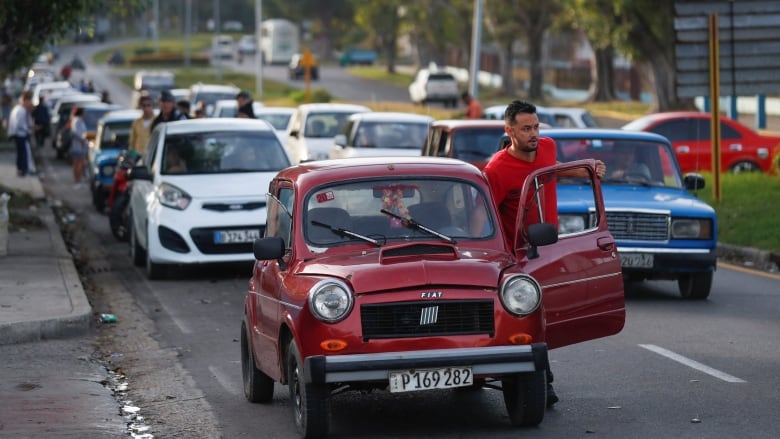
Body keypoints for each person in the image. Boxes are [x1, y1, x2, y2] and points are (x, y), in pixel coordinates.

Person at [482, 100, 606, 408]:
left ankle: (542, 378)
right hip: (517, 256)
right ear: (509, 131)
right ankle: (542, 382)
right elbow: (484, 216)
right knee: (528, 318)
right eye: (526, 129)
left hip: (549, 249)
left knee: (548, 316)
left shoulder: (548, 148)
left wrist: (589, 170)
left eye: (536, 127)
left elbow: (553, 172)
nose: (534, 134)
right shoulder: (496, 170)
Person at [7, 90, 35, 176]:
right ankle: (23, 170)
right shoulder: (21, 111)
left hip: (19, 134)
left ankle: (22, 169)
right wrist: (28, 129)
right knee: (23, 153)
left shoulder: (19, 109)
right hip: (21, 134)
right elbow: (20, 124)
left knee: (22, 153)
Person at [68, 106, 89, 188]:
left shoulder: (78, 120)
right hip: (78, 146)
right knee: (78, 163)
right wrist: (83, 140)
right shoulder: (77, 121)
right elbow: (76, 133)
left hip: (79, 145)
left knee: (78, 163)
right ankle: (77, 181)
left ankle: (78, 180)